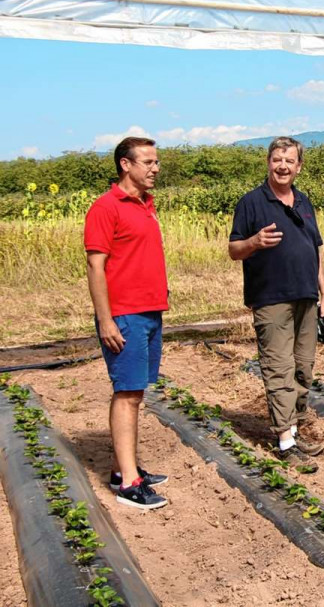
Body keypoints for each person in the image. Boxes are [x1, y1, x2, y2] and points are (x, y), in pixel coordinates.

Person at [228, 136, 324, 468]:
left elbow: (315, 250)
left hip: (306, 296)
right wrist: (255, 242)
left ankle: (295, 428)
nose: (283, 166)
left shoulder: (303, 201)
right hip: (271, 297)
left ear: (298, 166)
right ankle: (285, 442)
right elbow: (233, 250)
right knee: (279, 368)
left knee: (303, 368)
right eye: (277, 160)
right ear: (268, 162)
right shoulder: (251, 203)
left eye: (289, 161)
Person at [85, 136, 170, 509]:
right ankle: (128, 485)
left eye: (155, 162)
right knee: (127, 392)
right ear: (126, 164)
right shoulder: (106, 207)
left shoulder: (145, 204)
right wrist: (106, 320)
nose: (155, 168)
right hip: (125, 315)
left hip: (150, 312)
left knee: (137, 392)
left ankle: (126, 467)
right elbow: (95, 266)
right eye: (148, 162)